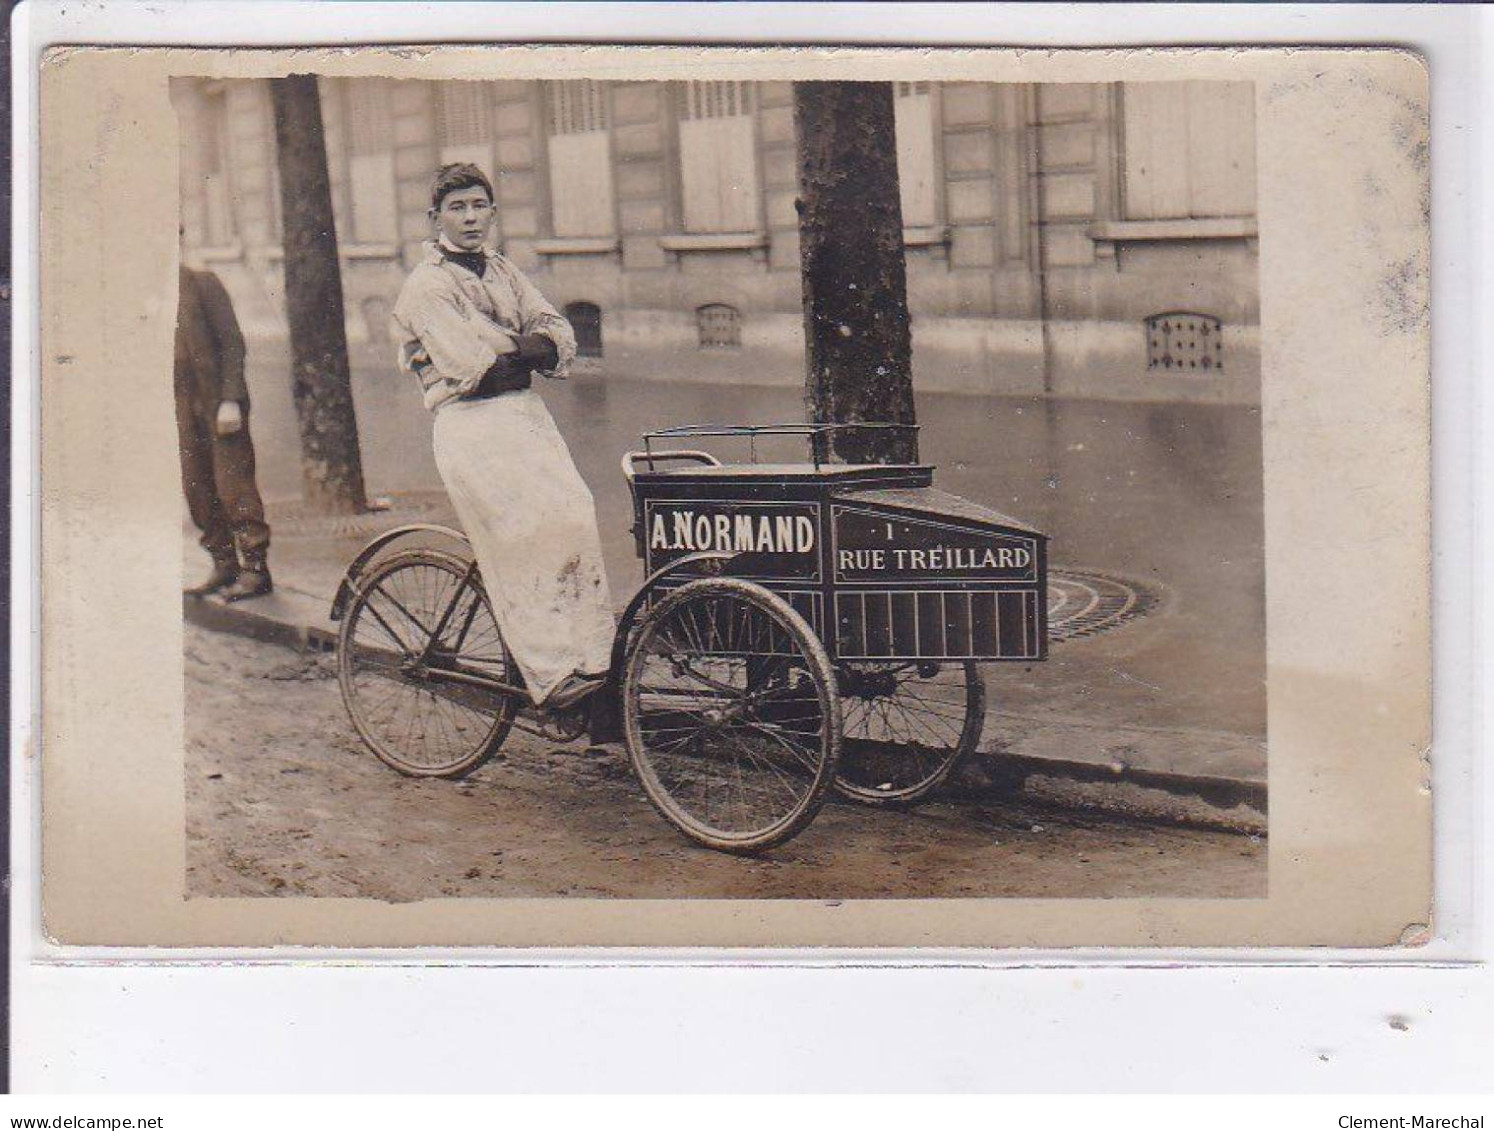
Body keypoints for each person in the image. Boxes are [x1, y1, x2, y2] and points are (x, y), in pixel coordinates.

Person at [391, 163, 613, 710]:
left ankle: (596, 662)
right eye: (457, 208)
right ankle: (552, 675)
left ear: (492, 212)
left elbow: (561, 336)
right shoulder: (427, 285)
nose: (470, 218)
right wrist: (526, 349)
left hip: (526, 419)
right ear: (436, 217)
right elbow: (472, 368)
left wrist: (510, 346)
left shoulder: (503, 271)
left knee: (574, 514)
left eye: (478, 206)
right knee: (521, 532)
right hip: (471, 425)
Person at [176, 254, 272, 601]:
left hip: (218, 403)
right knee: (197, 489)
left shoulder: (203, 283)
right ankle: (224, 564)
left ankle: (256, 569)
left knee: (235, 487)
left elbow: (232, 342)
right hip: (181, 408)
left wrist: (231, 398)